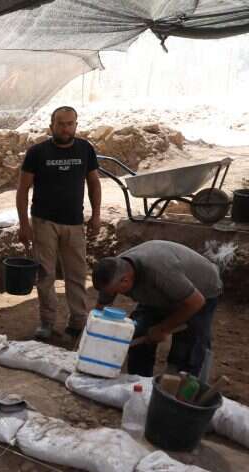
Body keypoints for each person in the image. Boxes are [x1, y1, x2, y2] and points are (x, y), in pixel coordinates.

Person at [16, 105, 102, 342]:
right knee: (45, 275)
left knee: (77, 274)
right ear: (51, 126)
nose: (66, 128)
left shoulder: (85, 149)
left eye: (70, 123)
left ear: (76, 124)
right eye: (61, 124)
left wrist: (96, 215)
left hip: (75, 223)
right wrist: (24, 224)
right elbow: (23, 190)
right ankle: (47, 322)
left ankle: (77, 322)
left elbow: (94, 183)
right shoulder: (37, 152)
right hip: (44, 222)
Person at [92, 241, 222, 377]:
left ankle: (181, 385)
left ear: (125, 281)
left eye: (116, 291)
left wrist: (162, 328)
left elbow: (196, 302)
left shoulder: (160, 270)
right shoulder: (113, 271)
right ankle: (138, 381)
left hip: (200, 292)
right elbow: (101, 308)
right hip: (158, 292)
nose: (113, 294)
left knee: (188, 350)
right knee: (137, 334)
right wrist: (94, 331)